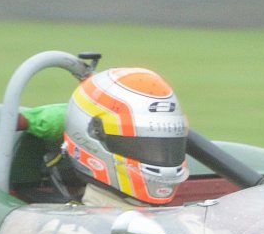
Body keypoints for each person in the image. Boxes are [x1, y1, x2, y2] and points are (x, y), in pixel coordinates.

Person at [16, 67, 190, 205]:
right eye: (141, 145)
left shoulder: (186, 223)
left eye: (167, 145)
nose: (159, 156)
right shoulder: (75, 232)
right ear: (93, 135)